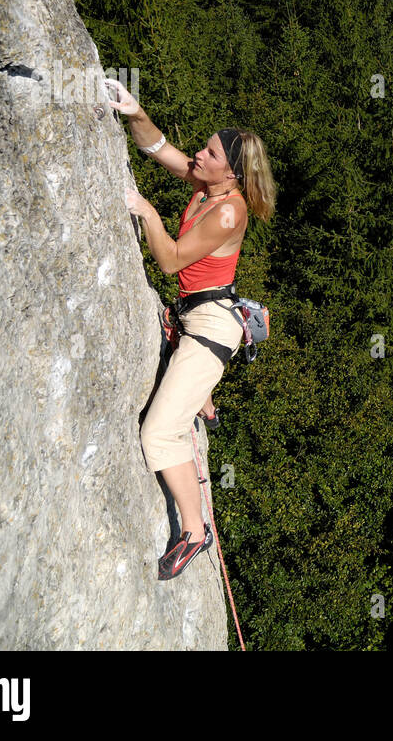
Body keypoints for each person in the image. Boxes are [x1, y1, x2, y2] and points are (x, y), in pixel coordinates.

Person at [106, 78, 275, 580]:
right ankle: (202, 398)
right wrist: (134, 112)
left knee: (159, 432)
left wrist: (149, 212)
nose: (198, 154)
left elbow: (171, 258)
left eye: (210, 152)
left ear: (233, 171)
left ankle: (194, 532)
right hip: (196, 316)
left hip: (211, 329)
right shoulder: (210, 185)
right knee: (179, 390)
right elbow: (162, 150)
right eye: (203, 147)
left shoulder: (227, 209)